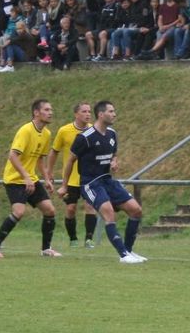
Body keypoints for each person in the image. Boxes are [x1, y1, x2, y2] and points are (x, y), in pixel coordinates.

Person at [65, 101, 147, 264]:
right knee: (108, 212)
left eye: (114, 111)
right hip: (90, 183)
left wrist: (114, 161)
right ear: (101, 114)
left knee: (136, 210)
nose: (114, 114)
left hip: (107, 180)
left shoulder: (112, 134)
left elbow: (113, 153)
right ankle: (123, 255)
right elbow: (70, 161)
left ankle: (129, 251)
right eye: (111, 111)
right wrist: (64, 186)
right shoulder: (84, 137)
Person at [0, 99, 62, 259]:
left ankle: (46, 249)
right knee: (19, 212)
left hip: (31, 179)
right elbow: (12, 155)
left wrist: (47, 177)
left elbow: (40, 159)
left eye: (51, 110)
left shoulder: (47, 133)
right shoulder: (26, 131)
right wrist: (26, 177)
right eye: (47, 109)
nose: (51, 112)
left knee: (50, 210)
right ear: (36, 112)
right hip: (14, 179)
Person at [44, 102, 99, 248]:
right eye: (84, 111)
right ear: (76, 114)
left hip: (89, 177)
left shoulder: (94, 130)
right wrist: (48, 171)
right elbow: (54, 151)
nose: (88, 114)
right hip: (71, 179)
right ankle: (73, 238)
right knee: (70, 209)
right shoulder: (64, 131)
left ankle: (89, 239)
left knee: (90, 206)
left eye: (89, 111)